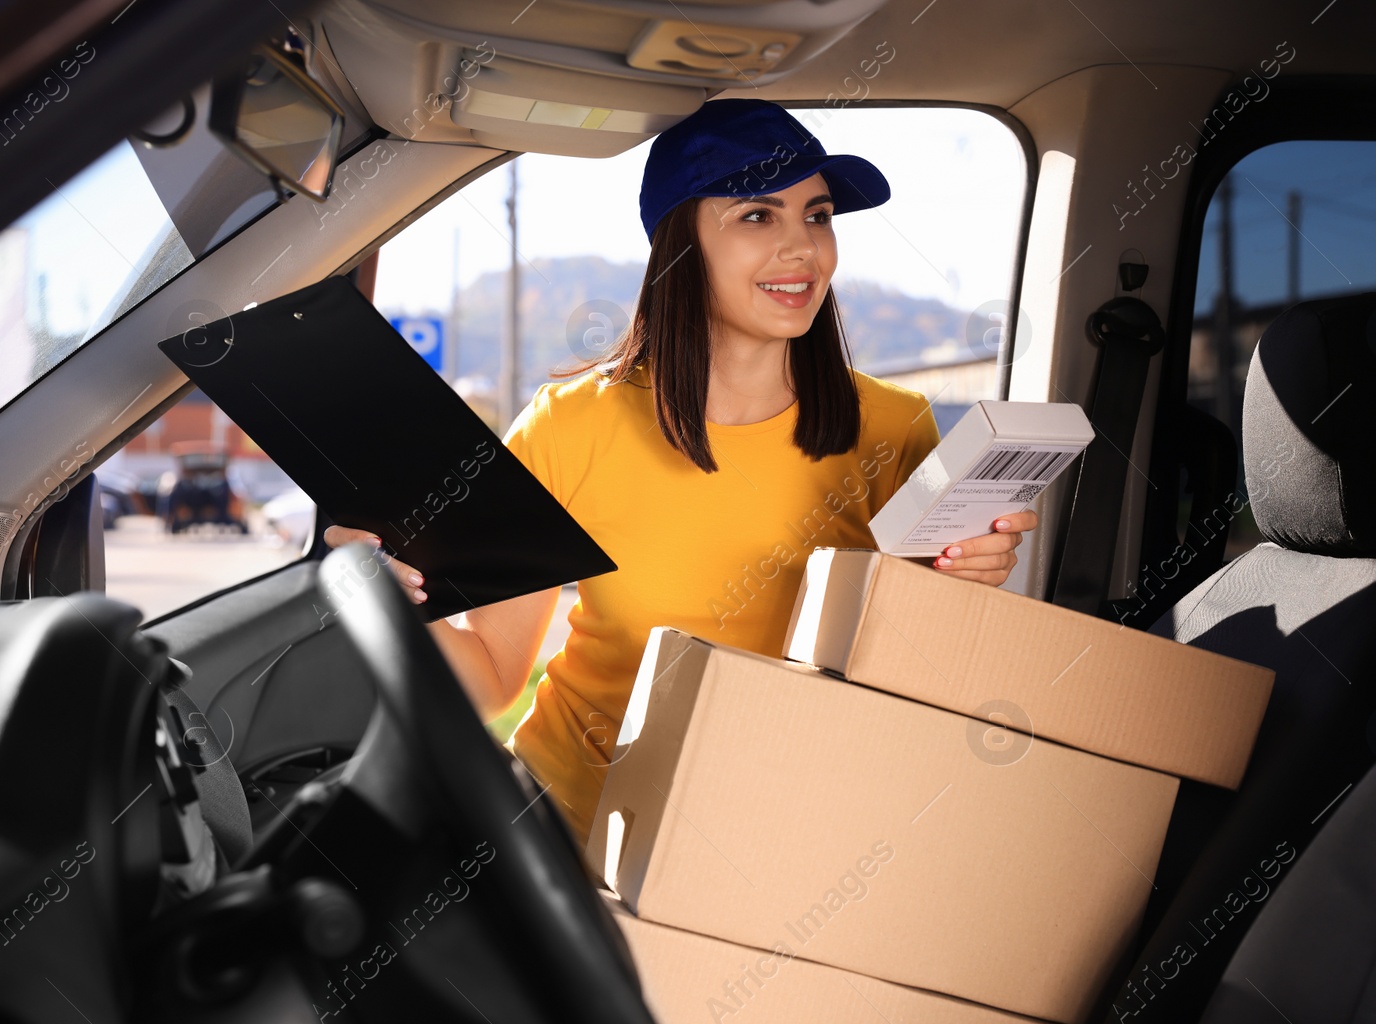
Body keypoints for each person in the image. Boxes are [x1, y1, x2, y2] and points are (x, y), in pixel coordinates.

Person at [325, 99, 1039, 840]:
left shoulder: (894, 429)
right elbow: (492, 676)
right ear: (680, 244)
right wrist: (377, 599)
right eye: (759, 216)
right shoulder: (570, 425)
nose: (804, 249)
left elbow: (914, 681)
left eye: (818, 215)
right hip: (570, 822)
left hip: (784, 826)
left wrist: (962, 578)